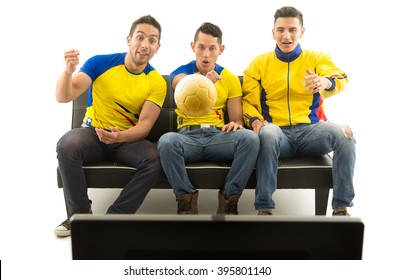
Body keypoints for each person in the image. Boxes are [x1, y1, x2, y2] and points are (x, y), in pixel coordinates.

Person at [54, 15, 166, 237]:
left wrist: (120, 136)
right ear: (129, 39)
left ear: (157, 47)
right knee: (66, 145)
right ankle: (80, 216)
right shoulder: (99, 63)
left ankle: (116, 217)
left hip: (126, 139)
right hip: (93, 133)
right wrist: (68, 72)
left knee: (155, 159)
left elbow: (144, 126)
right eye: (140, 37)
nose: (145, 45)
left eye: (152, 40)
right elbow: (63, 96)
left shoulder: (156, 82)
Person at [242, 6, 356, 216]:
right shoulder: (258, 64)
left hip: (311, 132)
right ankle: (264, 208)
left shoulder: (316, 58)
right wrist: (256, 121)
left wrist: (324, 82)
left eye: (292, 30)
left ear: (302, 32)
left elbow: (341, 78)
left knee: (346, 134)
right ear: (273, 32)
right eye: (281, 30)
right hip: (278, 134)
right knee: (267, 133)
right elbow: (247, 103)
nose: (286, 36)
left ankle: (341, 207)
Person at [157, 22, 259, 215]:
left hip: (217, 136)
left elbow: (237, 119)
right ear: (192, 47)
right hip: (187, 138)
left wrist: (235, 124)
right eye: (201, 47)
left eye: (212, 48)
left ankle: (229, 200)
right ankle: (186, 200)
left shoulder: (228, 78)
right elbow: (180, 85)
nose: (206, 54)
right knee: (166, 141)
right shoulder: (180, 73)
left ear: (220, 49)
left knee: (251, 139)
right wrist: (204, 83)